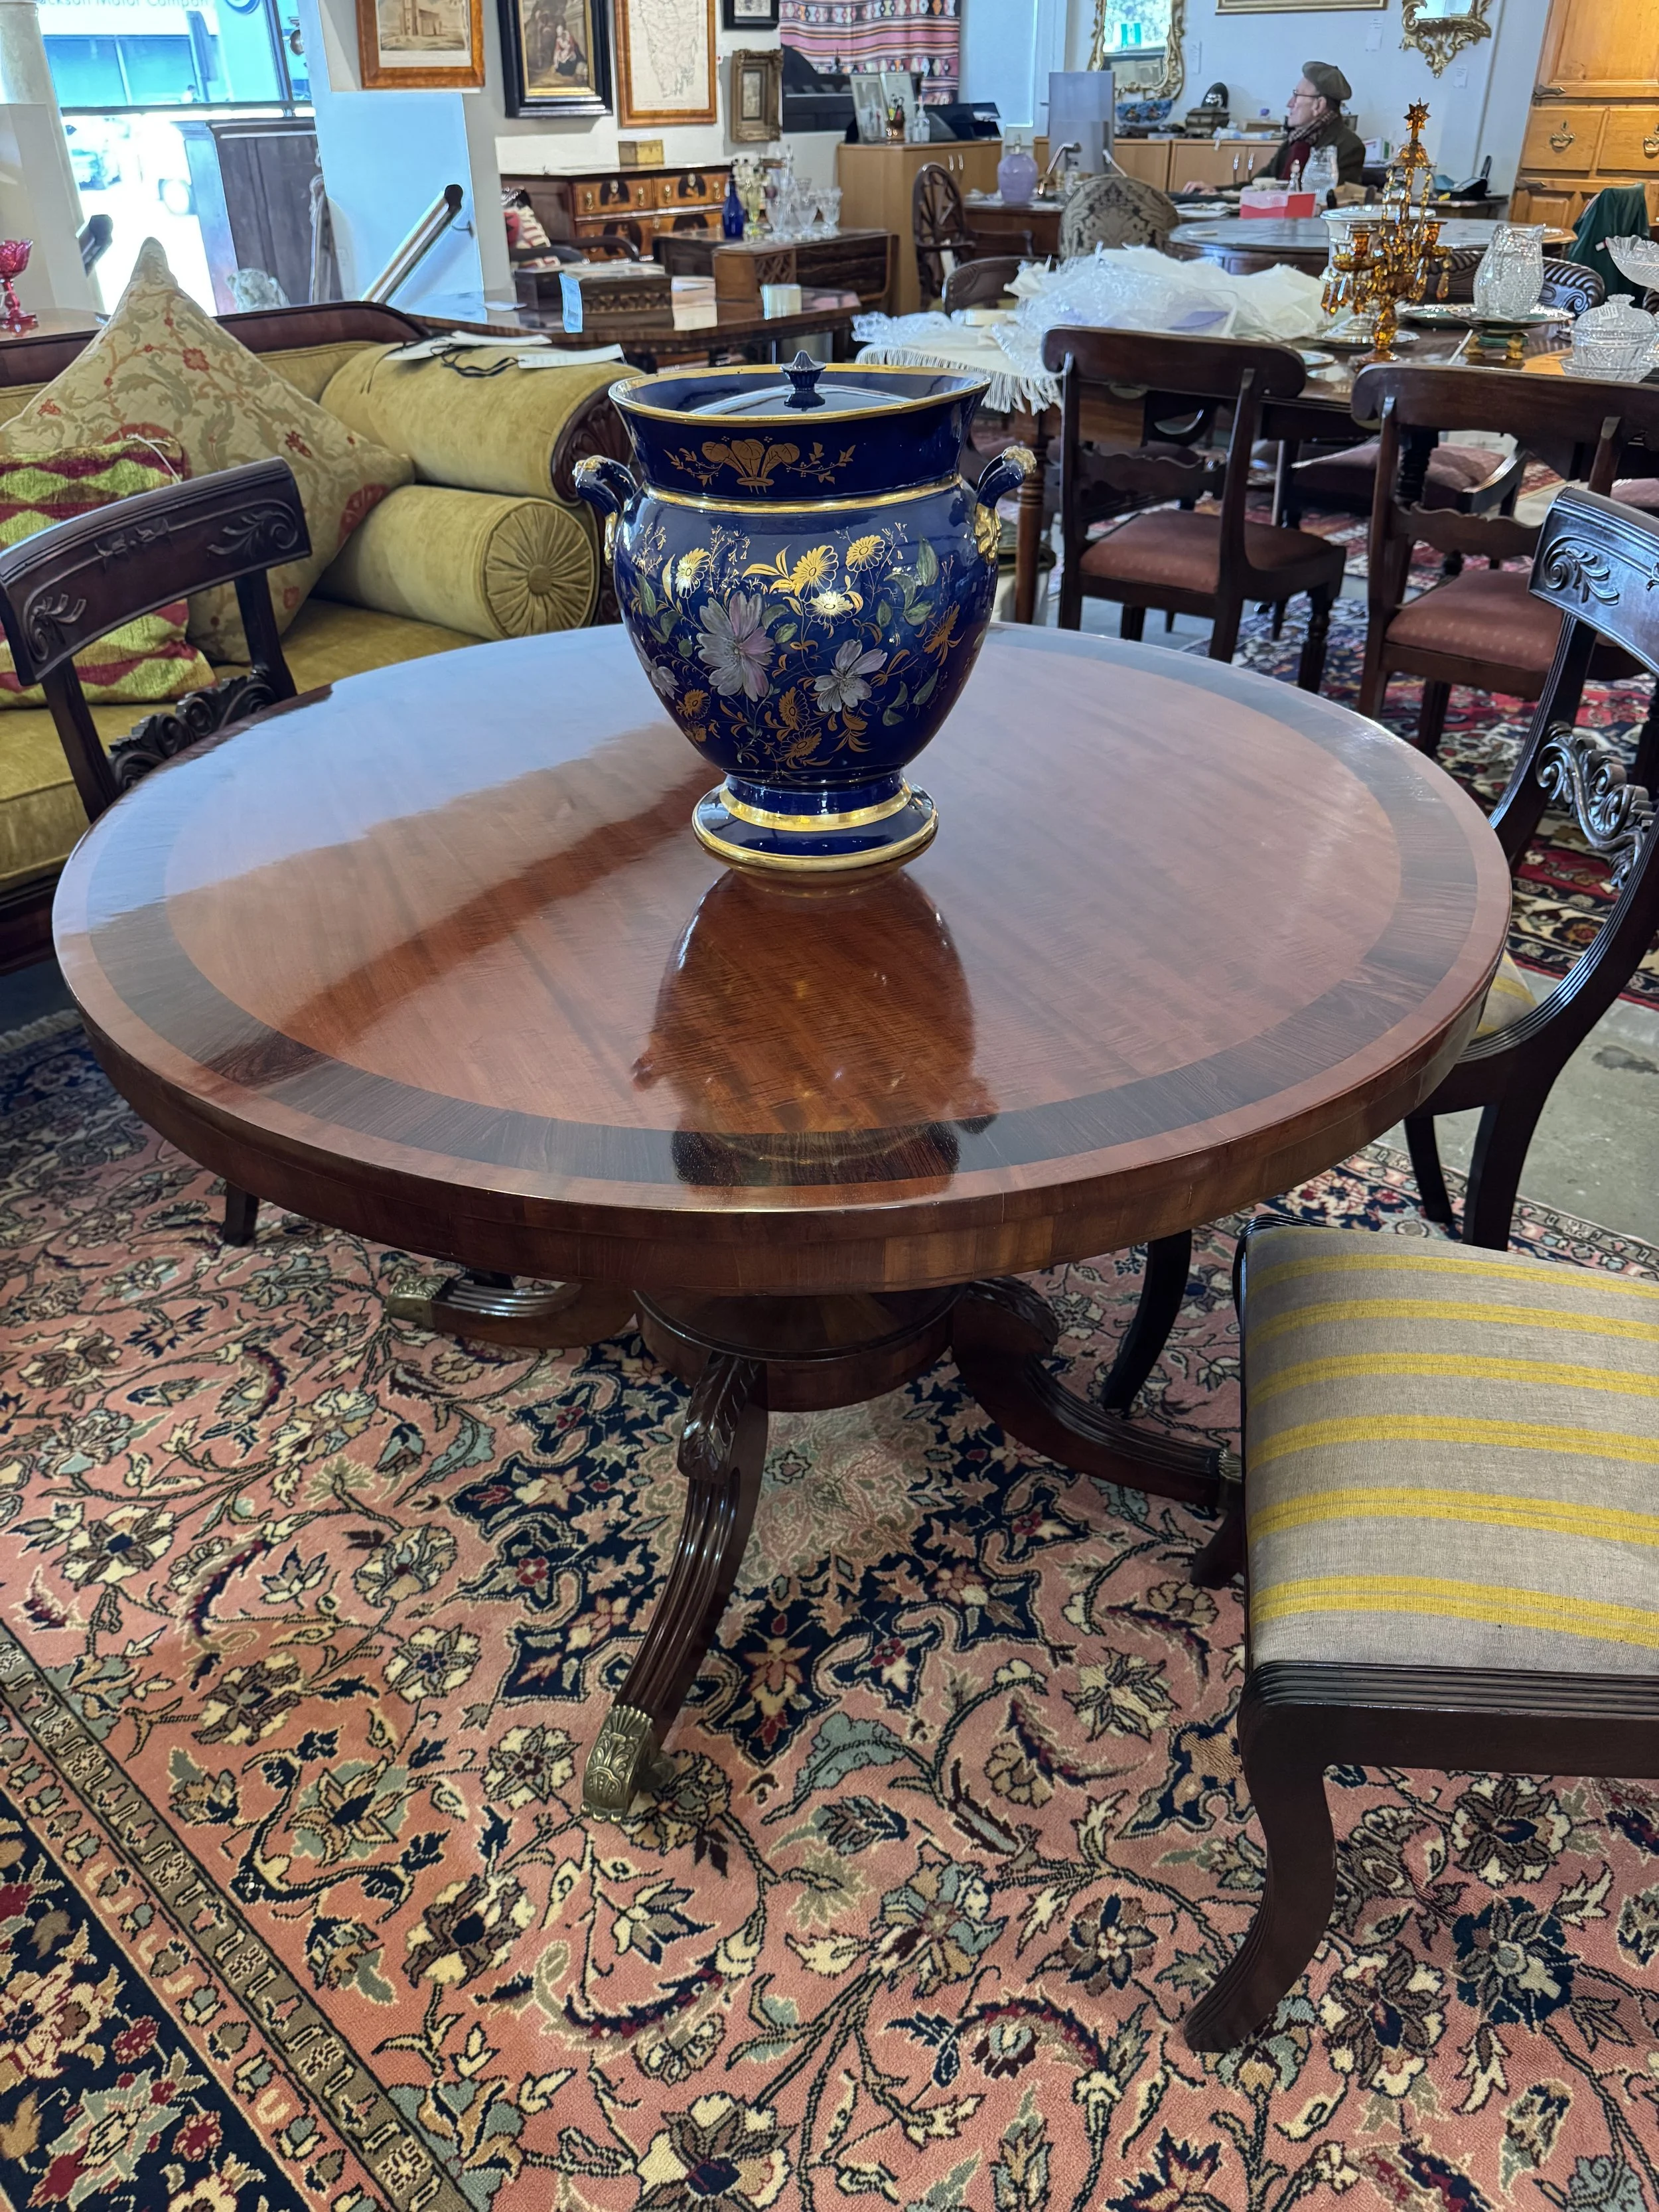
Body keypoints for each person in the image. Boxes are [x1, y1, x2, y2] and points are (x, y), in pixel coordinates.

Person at [1268, 63, 1366, 187]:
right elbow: (1260, 183)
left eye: (1297, 96)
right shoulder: (1295, 140)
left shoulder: (1349, 147)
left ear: (1319, 105)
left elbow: (1332, 197)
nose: (1290, 104)